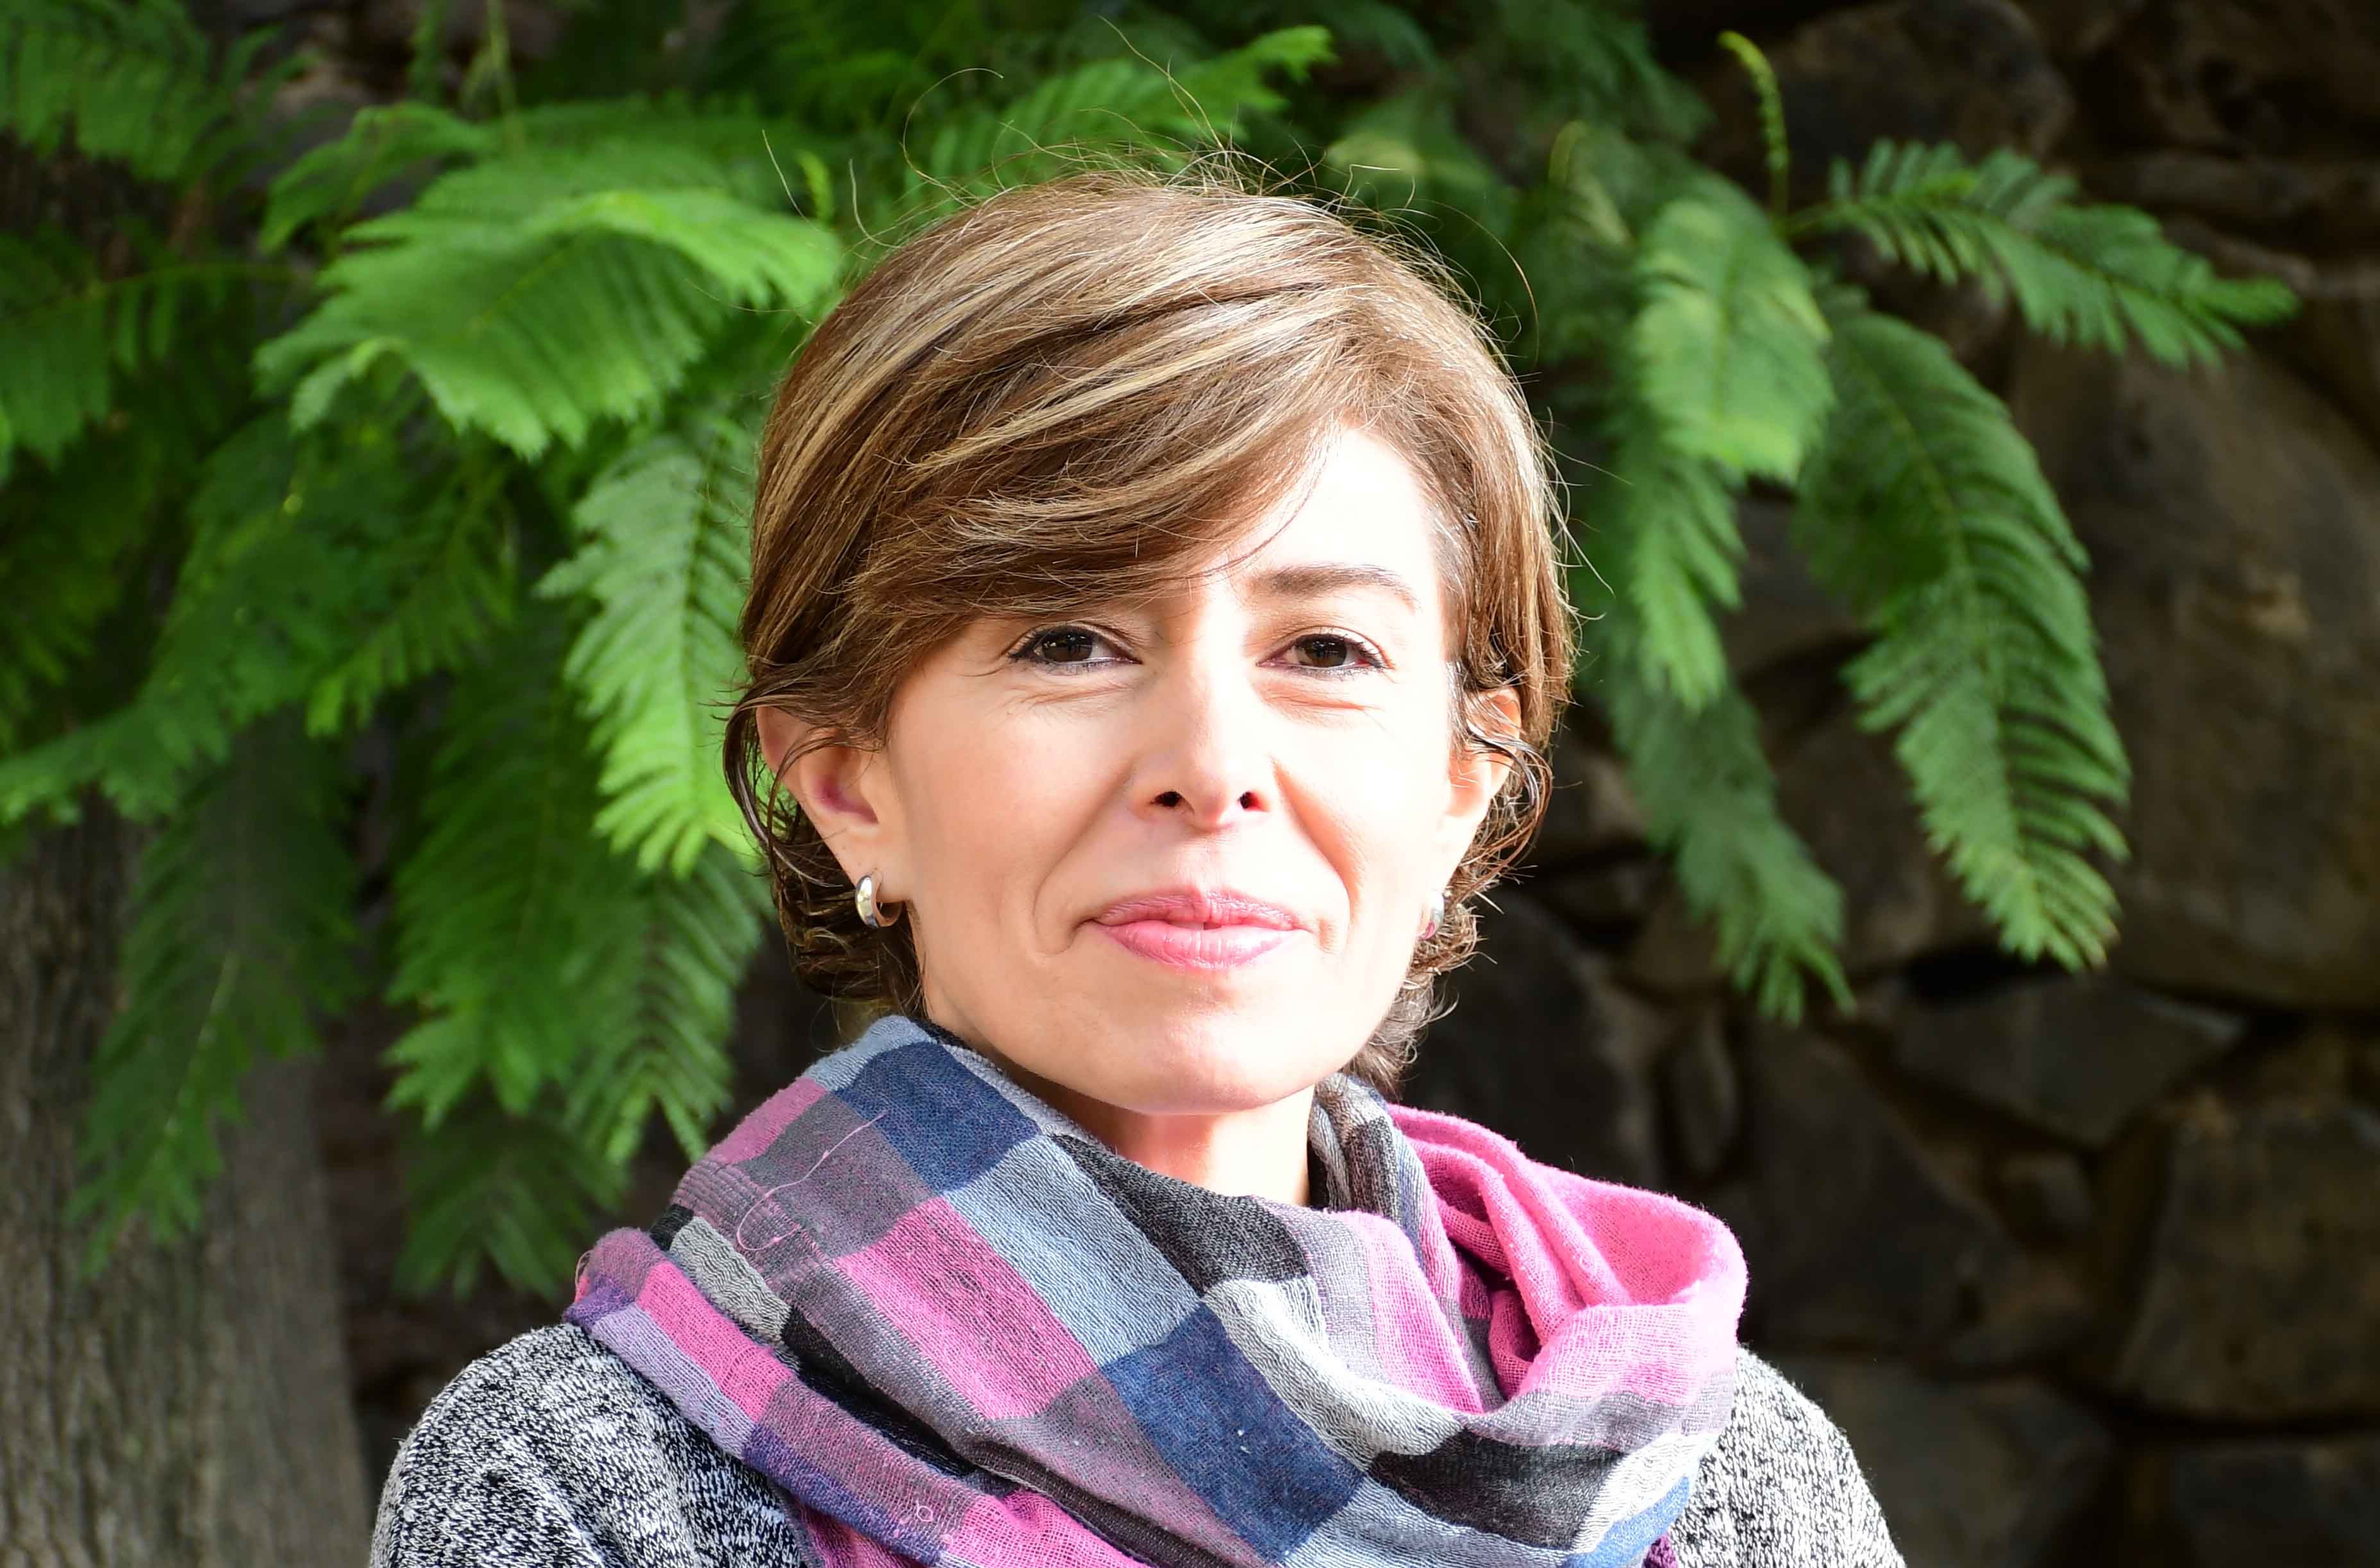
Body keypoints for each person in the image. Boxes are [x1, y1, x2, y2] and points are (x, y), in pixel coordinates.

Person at [370, 163, 1902, 1568]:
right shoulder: (587, 1488)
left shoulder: (1726, 1480)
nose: (1210, 760)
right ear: (845, 780)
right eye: (1067, 638)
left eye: (1324, 649)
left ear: (1460, 780)